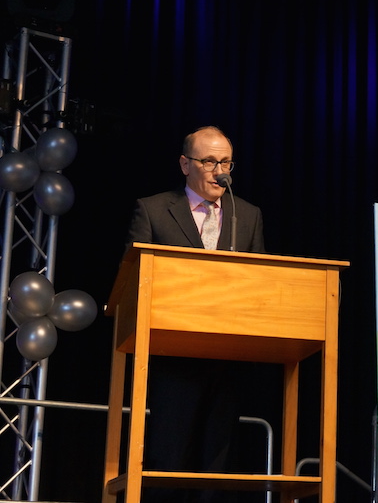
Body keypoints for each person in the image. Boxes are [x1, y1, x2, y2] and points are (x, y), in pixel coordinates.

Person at [125, 125, 266, 502]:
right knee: (169, 461)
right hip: (173, 357)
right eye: (209, 162)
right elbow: (134, 280)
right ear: (185, 164)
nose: (220, 172)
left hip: (227, 360)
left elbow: (260, 284)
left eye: (226, 162)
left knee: (216, 470)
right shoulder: (154, 210)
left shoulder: (247, 215)